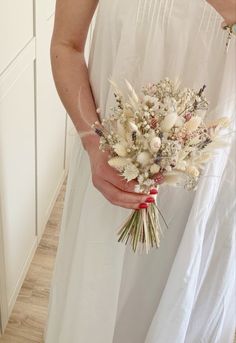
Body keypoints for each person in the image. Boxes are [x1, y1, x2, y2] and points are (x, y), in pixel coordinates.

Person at [44, 0, 236, 342]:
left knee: (184, 301)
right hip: (111, 169)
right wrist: (93, 141)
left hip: (208, 178)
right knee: (100, 302)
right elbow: (66, 45)